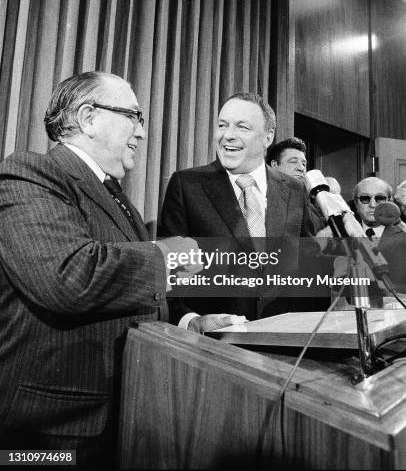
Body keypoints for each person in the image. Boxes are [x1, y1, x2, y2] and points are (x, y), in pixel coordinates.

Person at [0, 71, 224, 468]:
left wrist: (189, 323)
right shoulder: (30, 173)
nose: (141, 132)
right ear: (88, 118)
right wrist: (169, 254)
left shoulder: (117, 197)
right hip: (52, 433)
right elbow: (68, 277)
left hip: (122, 416)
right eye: (133, 117)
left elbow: (131, 295)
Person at [160, 93, 329, 321]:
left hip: (284, 342)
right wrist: (191, 321)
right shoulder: (186, 185)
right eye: (222, 125)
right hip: (215, 345)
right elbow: (171, 276)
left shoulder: (294, 189)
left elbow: (307, 268)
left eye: (242, 127)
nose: (228, 135)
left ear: (267, 137)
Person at [352, 176, 406, 292]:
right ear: (356, 203)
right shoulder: (340, 235)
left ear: (389, 202)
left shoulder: (404, 235)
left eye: (380, 198)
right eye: (365, 198)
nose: (372, 205)